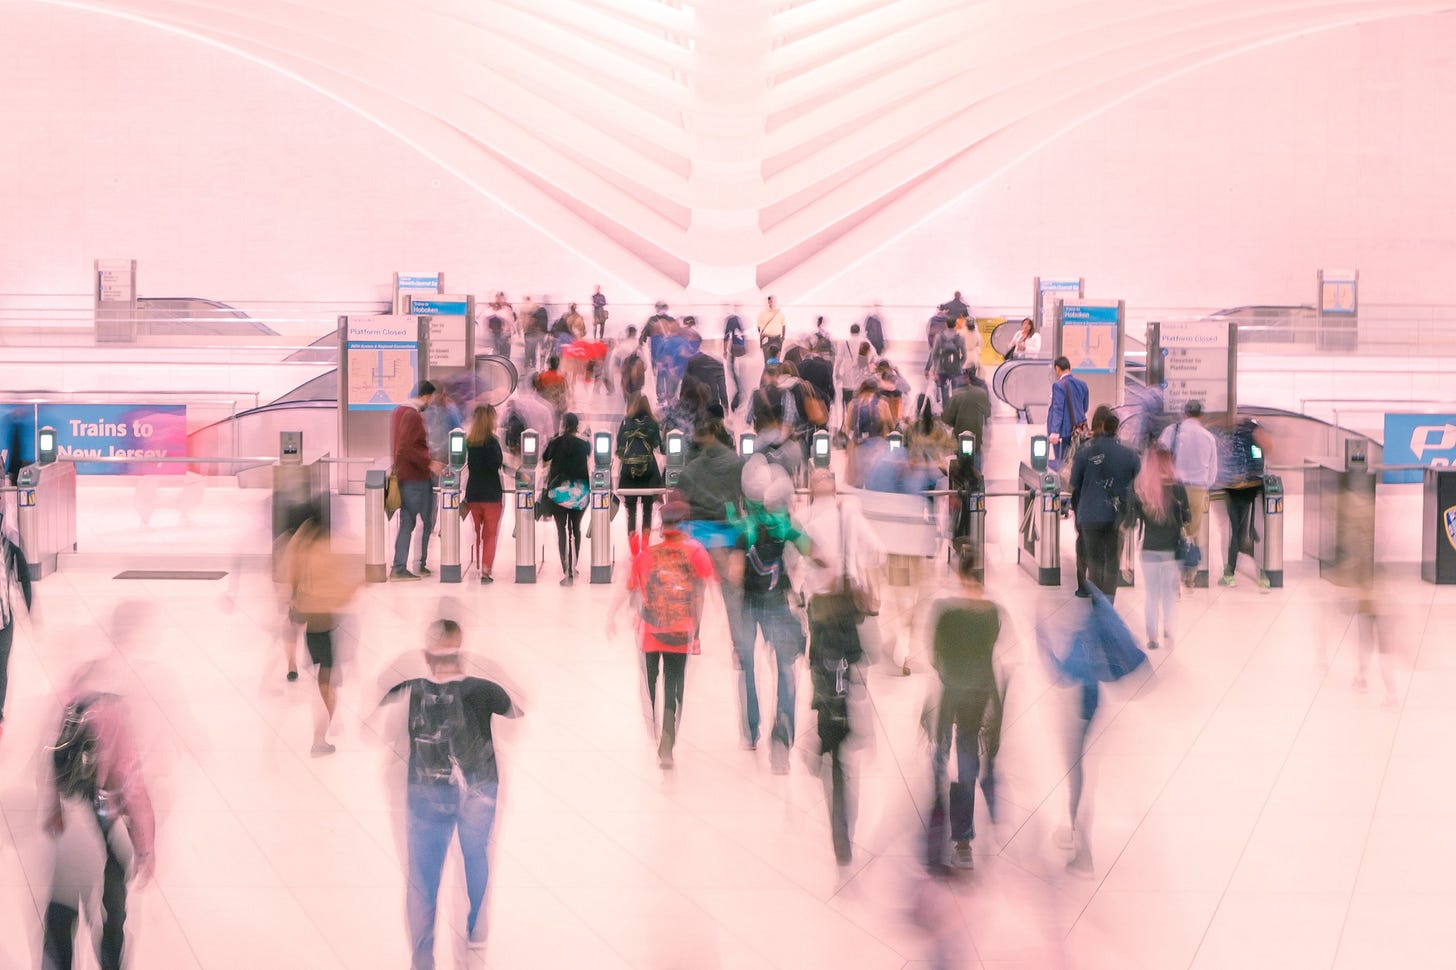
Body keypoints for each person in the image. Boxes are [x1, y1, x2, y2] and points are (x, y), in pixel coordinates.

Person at [378, 619, 522, 967]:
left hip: (425, 791)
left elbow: (386, 738)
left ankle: (423, 957)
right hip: (479, 787)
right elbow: (515, 712)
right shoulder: (486, 690)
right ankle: (475, 932)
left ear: (427, 656)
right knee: (475, 856)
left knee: (423, 879)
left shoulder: (409, 689)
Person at [42, 648, 156, 970]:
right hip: (105, 826)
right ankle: (110, 959)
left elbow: (52, 759)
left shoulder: (69, 704)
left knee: (61, 918)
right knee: (112, 914)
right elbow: (133, 788)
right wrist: (145, 849)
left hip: (70, 828)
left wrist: (53, 807)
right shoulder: (115, 715)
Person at [800, 470, 881, 864]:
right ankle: (837, 717)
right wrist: (858, 566)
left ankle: (825, 722)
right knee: (845, 673)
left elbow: (797, 568)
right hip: (846, 614)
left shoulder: (807, 520)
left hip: (821, 613)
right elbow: (878, 552)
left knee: (825, 670)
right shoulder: (850, 516)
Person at [608, 493, 716, 769]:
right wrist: (709, 626)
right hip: (680, 632)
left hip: (649, 632)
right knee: (674, 685)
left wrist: (610, 616)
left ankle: (654, 727)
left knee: (650, 684)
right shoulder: (696, 552)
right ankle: (666, 741)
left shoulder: (647, 555)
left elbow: (627, 588)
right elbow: (710, 591)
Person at [925, 546, 1006, 871]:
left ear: (959, 574)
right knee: (968, 757)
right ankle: (963, 842)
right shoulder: (992, 613)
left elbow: (935, 657)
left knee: (941, 754)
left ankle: (939, 816)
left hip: (952, 692)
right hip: (980, 692)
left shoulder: (945, 611)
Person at [732, 464, 809, 771]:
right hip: (778, 604)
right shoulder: (785, 524)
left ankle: (751, 730)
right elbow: (809, 552)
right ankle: (783, 730)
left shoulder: (744, 527)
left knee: (748, 667)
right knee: (785, 669)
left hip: (750, 605)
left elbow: (736, 574)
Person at [284, 508, 360, 754]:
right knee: (327, 685)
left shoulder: (300, 551)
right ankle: (319, 738)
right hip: (326, 626)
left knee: (324, 681)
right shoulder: (323, 557)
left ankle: (327, 724)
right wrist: (358, 585)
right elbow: (337, 596)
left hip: (312, 628)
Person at [678, 419, 748, 654]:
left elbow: (680, 503)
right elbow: (745, 498)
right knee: (731, 594)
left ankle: (693, 641)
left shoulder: (691, 469)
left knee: (695, 591)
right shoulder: (737, 464)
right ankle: (739, 647)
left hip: (697, 538)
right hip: (727, 537)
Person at [1070, 411, 1140, 599]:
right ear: (1117, 428)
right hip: (1116, 515)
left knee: (1094, 561)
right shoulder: (1129, 454)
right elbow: (1137, 483)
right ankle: (1109, 602)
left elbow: (1074, 483)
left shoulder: (1085, 452)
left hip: (1090, 514)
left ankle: (1097, 602)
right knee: (1112, 561)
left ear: (1101, 426)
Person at [1128, 445, 1189, 650]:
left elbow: (1132, 520)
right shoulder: (1178, 487)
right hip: (1172, 550)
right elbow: (1187, 519)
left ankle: (1152, 637)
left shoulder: (1142, 489)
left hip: (1149, 550)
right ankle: (1168, 631)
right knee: (1169, 594)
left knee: (1151, 594)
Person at [1158, 399, 1219, 582]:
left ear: (1184, 414)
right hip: (1197, 489)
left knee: (1172, 530)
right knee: (1192, 532)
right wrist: (1204, 487)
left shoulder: (1172, 431)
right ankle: (1190, 575)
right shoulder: (1208, 437)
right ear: (1201, 415)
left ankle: (1172, 575)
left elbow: (1160, 456)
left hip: (1173, 487)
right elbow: (1213, 471)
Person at [392, 381, 443, 581]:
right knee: (413, 521)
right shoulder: (412, 416)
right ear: (425, 396)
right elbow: (406, 447)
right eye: (431, 398)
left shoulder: (398, 412)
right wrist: (429, 462)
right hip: (415, 477)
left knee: (411, 521)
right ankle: (402, 567)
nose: (431, 402)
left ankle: (409, 565)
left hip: (407, 475)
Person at [1219, 417, 1271, 588]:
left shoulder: (1231, 439)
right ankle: (1263, 576)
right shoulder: (1254, 442)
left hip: (1233, 488)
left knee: (1235, 530)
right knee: (1252, 531)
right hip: (1251, 488)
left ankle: (1229, 574)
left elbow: (1224, 463)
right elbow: (1258, 463)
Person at [542, 413, 591, 586]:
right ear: (577, 425)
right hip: (579, 491)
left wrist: (554, 438)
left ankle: (566, 568)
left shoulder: (556, 442)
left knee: (561, 530)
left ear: (563, 424)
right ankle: (574, 565)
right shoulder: (583, 444)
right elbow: (590, 450)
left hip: (559, 492)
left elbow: (545, 457)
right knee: (575, 529)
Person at [0, 508, 33, 742]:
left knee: (1, 671)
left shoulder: (9, 548)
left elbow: (24, 576)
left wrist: (29, 608)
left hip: (4, 621)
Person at [463, 405, 505, 584]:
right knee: (490, 534)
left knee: (477, 531)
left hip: (473, 493)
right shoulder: (492, 442)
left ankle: (478, 565)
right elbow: (495, 465)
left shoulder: (469, 442)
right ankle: (486, 571)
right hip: (491, 495)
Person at [616, 394, 664, 552]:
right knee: (648, 508)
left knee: (631, 510)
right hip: (648, 470)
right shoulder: (652, 423)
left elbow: (619, 445)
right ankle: (645, 544)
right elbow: (659, 446)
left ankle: (634, 548)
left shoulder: (626, 422)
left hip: (629, 471)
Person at [939, 365, 991, 471]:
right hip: (976, 441)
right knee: (976, 470)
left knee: (960, 470)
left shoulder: (956, 395)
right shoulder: (981, 393)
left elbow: (946, 419)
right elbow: (987, 413)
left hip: (959, 442)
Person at [1047, 356, 1090, 470]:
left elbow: (1058, 409)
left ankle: (1064, 485)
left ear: (1057, 369)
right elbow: (1085, 407)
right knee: (1076, 463)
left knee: (1062, 464)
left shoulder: (1058, 385)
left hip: (1064, 432)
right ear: (1069, 368)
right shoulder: (1083, 384)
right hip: (1079, 431)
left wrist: (1054, 432)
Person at [682, 331, 729, 415]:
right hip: (712, 404)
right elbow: (723, 389)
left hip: (697, 405)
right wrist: (725, 405)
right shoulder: (716, 362)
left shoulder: (690, 362)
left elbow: (685, 387)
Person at [925, 316, 968, 408]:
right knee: (955, 390)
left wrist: (935, 368)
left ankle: (946, 411)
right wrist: (959, 365)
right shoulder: (960, 338)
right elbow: (964, 355)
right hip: (956, 368)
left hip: (942, 369)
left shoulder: (939, 337)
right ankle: (955, 409)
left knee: (944, 390)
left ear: (946, 325)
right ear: (955, 325)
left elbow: (934, 354)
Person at [722, 307, 748, 410]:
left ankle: (738, 395)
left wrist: (724, 350)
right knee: (738, 372)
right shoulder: (739, 320)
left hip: (735, 348)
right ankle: (740, 394)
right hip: (742, 349)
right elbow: (743, 334)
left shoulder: (730, 321)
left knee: (732, 370)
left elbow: (727, 336)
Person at [756, 295, 787, 360]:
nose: (771, 303)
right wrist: (761, 334)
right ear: (768, 302)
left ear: (775, 302)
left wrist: (783, 337)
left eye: (772, 301)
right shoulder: (763, 313)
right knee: (767, 359)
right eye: (769, 301)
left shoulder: (779, 313)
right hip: (766, 338)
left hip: (777, 339)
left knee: (776, 360)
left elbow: (784, 325)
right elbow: (758, 326)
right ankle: (767, 369)